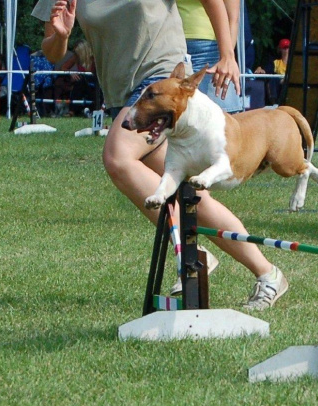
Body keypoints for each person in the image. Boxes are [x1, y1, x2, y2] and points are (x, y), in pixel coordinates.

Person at [32, 0, 288, 310]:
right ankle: (268, 274)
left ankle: (192, 253)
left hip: (163, 77)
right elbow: (53, 52)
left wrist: (227, 53)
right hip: (120, 92)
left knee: (117, 157)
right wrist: (61, 35)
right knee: (194, 198)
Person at [177, 0, 242, 113]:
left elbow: (233, 17)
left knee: (223, 121)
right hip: (169, 44)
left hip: (210, 49)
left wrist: (227, 57)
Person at [254, 38, 290, 105]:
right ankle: (274, 102)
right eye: (284, 48)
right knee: (273, 79)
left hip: (290, 83)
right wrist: (261, 69)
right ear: (280, 49)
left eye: (288, 47)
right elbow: (267, 70)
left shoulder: (295, 63)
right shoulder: (276, 63)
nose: (286, 50)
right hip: (279, 85)